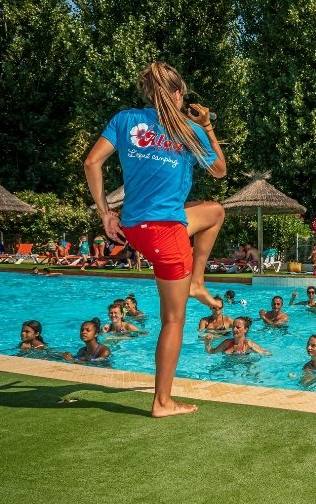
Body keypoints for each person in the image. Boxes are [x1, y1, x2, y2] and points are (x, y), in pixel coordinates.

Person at [84, 61, 227, 417]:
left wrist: (105, 212)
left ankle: (197, 281)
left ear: (147, 92)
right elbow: (220, 170)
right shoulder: (190, 131)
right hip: (166, 234)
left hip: (136, 226)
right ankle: (162, 402)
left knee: (214, 211)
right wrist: (208, 126)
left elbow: (91, 163)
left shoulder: (126, 120)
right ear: (179, 94)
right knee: (173, 321)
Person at [204, 316, 269, 354]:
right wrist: (207, 342)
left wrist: (252, 348)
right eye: (233, 327)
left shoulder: (249, 344)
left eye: (238, 327)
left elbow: (268, 354)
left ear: (245, 329)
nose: (234, 329)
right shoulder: (227, 343)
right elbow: (211, 351)